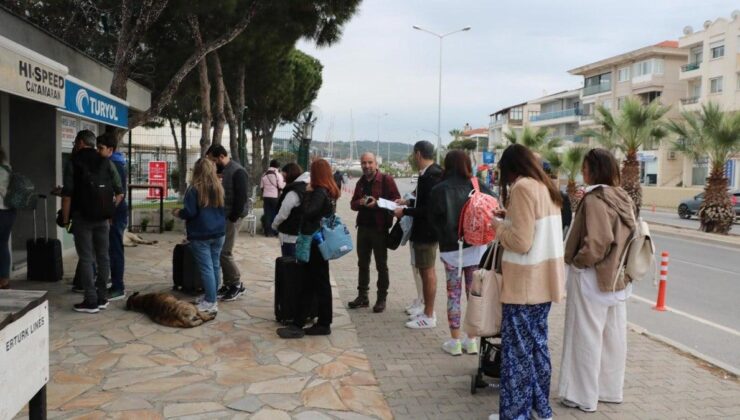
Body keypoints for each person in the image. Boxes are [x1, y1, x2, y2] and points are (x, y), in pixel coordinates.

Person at [488, 144, 565, 420]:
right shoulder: (546, 188)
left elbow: (521, 242)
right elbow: (534, 230)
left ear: (511, 168)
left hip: (524, 285)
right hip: (545, 283)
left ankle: (515, 414)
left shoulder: (522, 188)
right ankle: (540, 409)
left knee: (517, 356)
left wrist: (497, 227)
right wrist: (507, 218)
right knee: (538, 350)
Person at [558, 148, 636, 413]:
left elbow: (597, 243)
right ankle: (609, 390)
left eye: (585, 167)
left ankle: (582, 396)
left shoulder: (594, 200)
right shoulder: (623, 197)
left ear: (593, 170)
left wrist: (578, 263)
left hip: (592, 277)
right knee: (613, 337)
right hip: (617, 278)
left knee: (586, 336)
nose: (582, 171)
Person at [429, 150, 494, 356]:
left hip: (451, 251)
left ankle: (455, 341)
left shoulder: (439, 189)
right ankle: (471, 340)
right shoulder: (476, 185)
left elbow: (433, 220)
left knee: (453, 295)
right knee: (473, 295)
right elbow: (494, 205)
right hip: (476, 248)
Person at [61, 130, 124, 313]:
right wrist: (109, 210)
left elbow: (67, 196)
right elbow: (119, 191)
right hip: (103, 218)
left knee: (87, 258)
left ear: (80, 143)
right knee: (103, 257)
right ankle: (102, 297)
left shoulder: (73, 163)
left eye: (75, 142)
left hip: (82, 218)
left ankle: (90, 301)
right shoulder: (106, 161)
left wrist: (65, 220)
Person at [277, 159, 339, 339]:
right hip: (319, 242)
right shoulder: (329, 190)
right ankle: (309, 321)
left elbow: (309, 212)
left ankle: (312, 323)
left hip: (314, 243)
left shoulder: (319, 191)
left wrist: (307, 195)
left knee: (312, 283)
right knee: (316, 283)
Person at [394, 140, 443, 329]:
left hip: (427, 231)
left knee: (428, 272)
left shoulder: (432, 175)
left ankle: (429, 315)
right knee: (424, 271)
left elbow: (428, 208)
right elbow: (421, 201)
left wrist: (404, 212)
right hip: (424, 230)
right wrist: (407, 203)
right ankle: (425, 309)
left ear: (418, 154)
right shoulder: (428, 173)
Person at [348, 152, 400, 313]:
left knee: (381, 265)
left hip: (380, 229)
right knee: (362, 264)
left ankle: (381, 298)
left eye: (370, 162)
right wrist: (361, 202)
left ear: (376, 164)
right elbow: (352, 204)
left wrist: (377, 204)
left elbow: (396, 202)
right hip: (363, 228)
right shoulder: (361, 182)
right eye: (364, 163)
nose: (366, 166)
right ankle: (363, 296)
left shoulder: (386, 180)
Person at [173, 159, 226, 314]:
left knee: (206, 268)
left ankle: (210, 301)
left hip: (200, 233)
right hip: (219, 232)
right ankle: (212, 296)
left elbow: (190, 212)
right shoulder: (218, 187)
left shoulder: (193, 189)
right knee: (215, 265)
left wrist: (178, 213)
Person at [206, 145, 249, 302]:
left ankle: (237, 284)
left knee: (225, 252)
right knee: (221, 252)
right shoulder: (223, 171)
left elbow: (241, 197)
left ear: (221, 156)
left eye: (213, 159)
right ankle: (228, 283)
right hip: (225, 216)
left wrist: (232, 217)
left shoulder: (238, 171)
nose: (212, 163)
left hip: (233, 217)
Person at [96, 132, 128, 301]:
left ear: (110, 149)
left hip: (115, 215)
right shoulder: (111, 162)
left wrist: (110, 214)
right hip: (112, 214)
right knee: (109, 250)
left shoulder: (114, 165)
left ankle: (118, 287)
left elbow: (118, 194)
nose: (97, 151)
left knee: (115, 251)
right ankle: (113, 282)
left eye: (100, 148)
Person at [272, 163, 308, 257]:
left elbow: (283, 213)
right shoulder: (305, 187)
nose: (283, 179)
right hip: (301, 232)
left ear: (289, 174)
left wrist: (274, 225)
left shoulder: (293, 192)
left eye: (284, 176)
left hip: (289, 234)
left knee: (289, 263)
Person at [0, 147, 16, 289]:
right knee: (3, 244)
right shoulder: (8, 168)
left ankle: (3, 279)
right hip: (9, 212)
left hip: (1, 211)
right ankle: (4, 279)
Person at [260, 159, 285, 237]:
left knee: (267, 214)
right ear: (278, 166)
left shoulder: (264, 174)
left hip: (266, 197)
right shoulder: (278, 175)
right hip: (275, 197)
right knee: (275, 213)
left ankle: (268, 232)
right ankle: (275, 231)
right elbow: (281, 186)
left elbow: (261, 186)